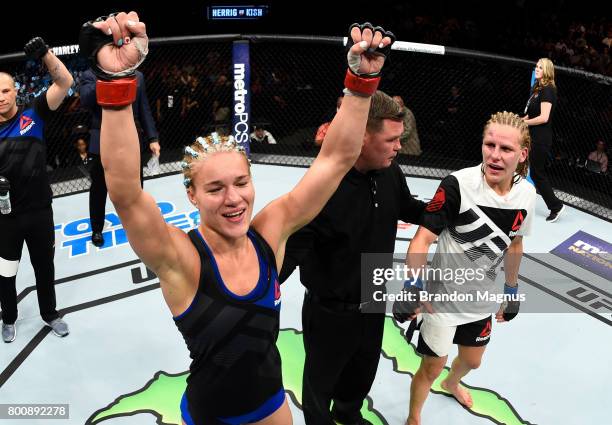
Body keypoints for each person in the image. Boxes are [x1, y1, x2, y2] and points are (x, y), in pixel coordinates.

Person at [80, 13, 393, 424]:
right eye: (215, 189)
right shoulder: (181, 259)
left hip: (272, 404)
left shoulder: (271, 232)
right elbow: (124, 191)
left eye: (241, 182)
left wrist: (360, 87)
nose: (234, 199)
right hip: (212, 415)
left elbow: (336, 159)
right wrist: (117, 80)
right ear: (191, 196)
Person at [279, 90, 425, 425]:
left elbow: (409, 208)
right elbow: (290, 254)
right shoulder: (323, 187)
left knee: (362, 373)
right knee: (319, 387)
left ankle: (348, 413)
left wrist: (448, 211)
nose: (399, 147)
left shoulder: (390, 173)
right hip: (329, 310)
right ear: (362, 136)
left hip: (372, 301)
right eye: (391, 140)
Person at [393, 111, 536, 425]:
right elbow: (421, 240)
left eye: (506, 149)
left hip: (482, 300)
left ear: (522, 154)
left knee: (472, 362)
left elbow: (514, 245)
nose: (495, 155)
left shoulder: (527, 195)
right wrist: (412, 287)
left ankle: (452, 382)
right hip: (442, 300)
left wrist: (511, 292)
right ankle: (413, 418)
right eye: (490, 145)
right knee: (430, 367)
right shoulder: (458, 184)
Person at [0, 37, 73, 343]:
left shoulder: (34, 114)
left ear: (15, 89)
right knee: (6, 274)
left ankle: (50, 314)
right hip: (5, 217)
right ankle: (9, 318)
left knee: (45, 266)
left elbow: (65, 81)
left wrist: (45, 55)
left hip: (40, 211)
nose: (1, 97)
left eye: (4, 90)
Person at [79, 67, 161, 247]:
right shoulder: (90, 75)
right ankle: (97, 229)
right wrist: (107, 78)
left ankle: (137, 224)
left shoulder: (137, 75)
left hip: (130, 136)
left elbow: (143, 108)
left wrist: (152, 137)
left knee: (135, 184)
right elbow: (86, 100)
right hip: (102, 137)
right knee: (99, 186)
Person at [523, 58, 564, 222]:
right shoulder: (537, 88)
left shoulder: (548, 90)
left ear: (546, 70)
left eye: (540, 67)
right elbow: (531, 114)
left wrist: (524, 122)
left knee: (537, 173)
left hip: (540, 138)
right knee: (520, 166)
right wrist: (519, 120)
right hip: (531, 135)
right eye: (536, 66)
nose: (536, 69)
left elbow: (543, 117)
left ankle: (556, 206)